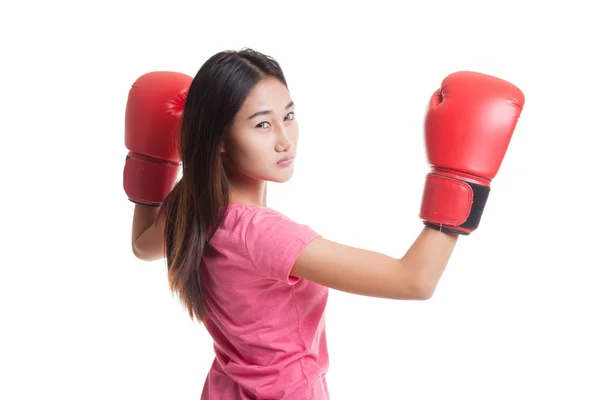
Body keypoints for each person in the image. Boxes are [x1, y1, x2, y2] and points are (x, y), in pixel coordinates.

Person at [123, 48, 525, 399]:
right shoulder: (262, 233)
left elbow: (142, 243)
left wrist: (151, 160)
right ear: (221, 138)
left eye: (289, 115)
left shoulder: (193, 209)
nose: (285, 139)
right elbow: (414, 280)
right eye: (262, 124)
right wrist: (463, 178)